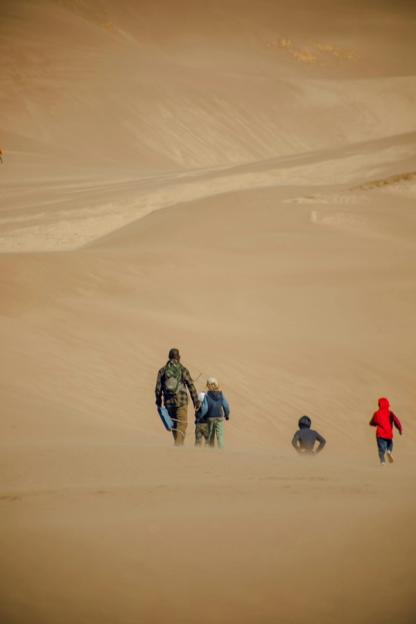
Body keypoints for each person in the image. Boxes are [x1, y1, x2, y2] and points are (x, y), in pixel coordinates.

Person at [155, 348, 200, 446]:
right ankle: (178, 447)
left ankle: (177, 445)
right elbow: (191, 386)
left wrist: (158, 402)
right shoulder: (183, 369)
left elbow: (158, 388)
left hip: (168, 402)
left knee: (174, 426)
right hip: (181, 401)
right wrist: (196, 401)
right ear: (178, 357)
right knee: (182, 424)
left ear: (169, 357)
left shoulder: (162, 371)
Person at [197, 377, 230, 449]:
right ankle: (221, 451)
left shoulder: (207, 396)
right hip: (220, 418)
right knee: (220, 435)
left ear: (208, 385)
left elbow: (205, 408)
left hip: (210, 418)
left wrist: (200, 417)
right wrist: (227, 415)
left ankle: (211, 452)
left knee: (210, 436)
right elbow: (226, 405)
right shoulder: (221, 395)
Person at [369, 397, 402, 465]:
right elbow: (396, 421)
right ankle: (389, 451)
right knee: (390, 444)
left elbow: (373, 422)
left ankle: (382, 461)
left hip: (380, 434)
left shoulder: (377, 413)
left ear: (379, 405)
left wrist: (372, 424)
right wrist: (400, 429)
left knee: (381, 449)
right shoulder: (390, 413)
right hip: (389, 434)